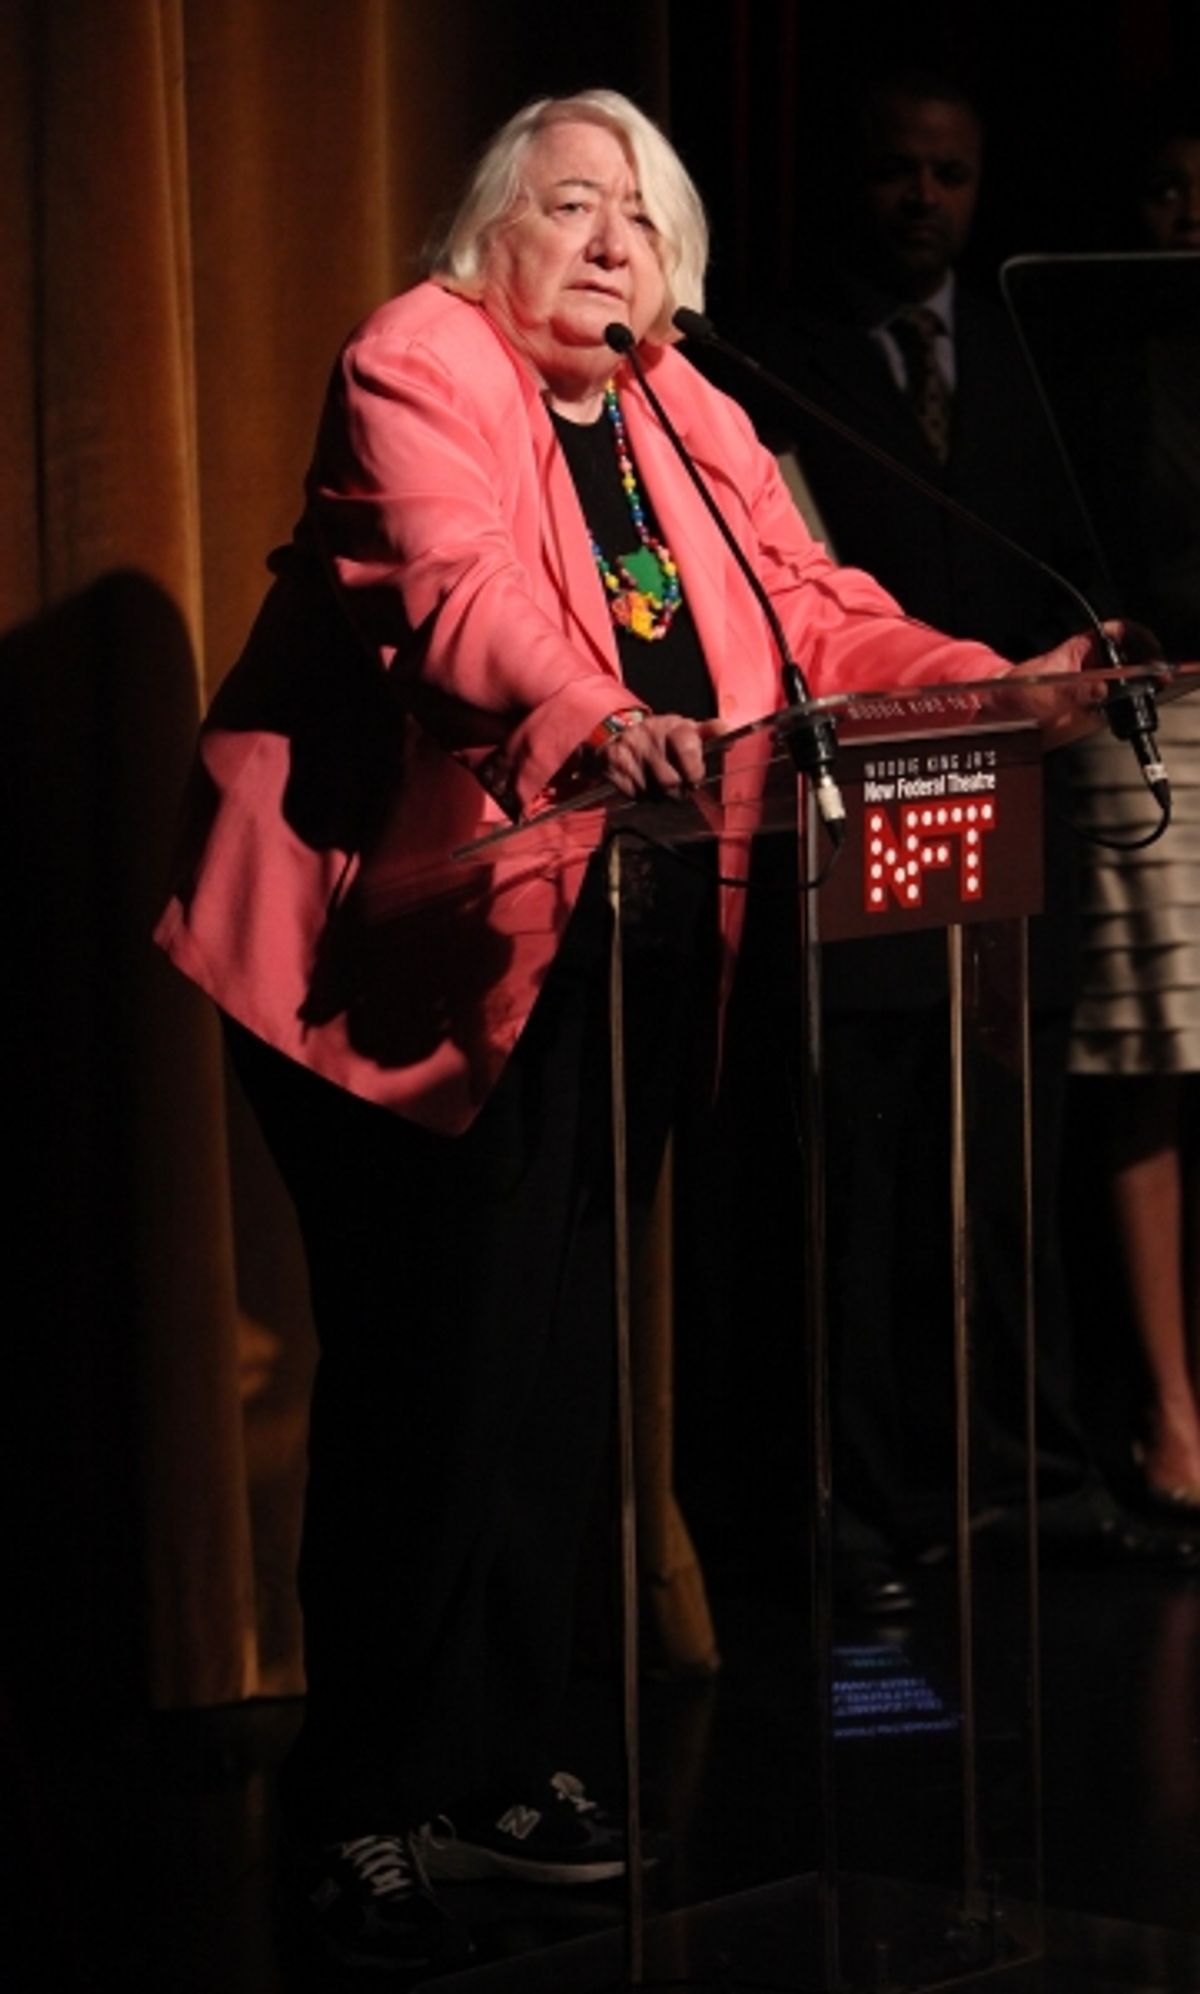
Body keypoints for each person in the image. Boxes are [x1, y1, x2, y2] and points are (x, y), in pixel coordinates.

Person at [155, 89, 1099, 1977]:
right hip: (401, 958)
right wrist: (601, 719)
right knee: (438, 1375)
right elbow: (457, 597)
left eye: (643, 222)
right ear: (484, 233)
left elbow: (816, 613)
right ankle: (361, 1801)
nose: (611, 247)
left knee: (560, 1373)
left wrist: (995, 686)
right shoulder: (416, 360)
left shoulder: (684, 405)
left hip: (618, 947)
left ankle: (500, 1772)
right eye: (570, 206)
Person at [720, 66, 1198, 1612]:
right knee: (873, 1167)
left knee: (1009, 1160)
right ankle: (861, 1507)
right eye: (895, 172)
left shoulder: (1024, 347)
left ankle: (1031, 1482)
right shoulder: (771, 363)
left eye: (951, 176)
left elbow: (1071, 542)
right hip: (872, 793)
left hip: (1024, 799)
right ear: (851, 182)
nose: (922, 202)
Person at [1065, 98, 1200, 1510]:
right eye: (1166, 185)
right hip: (1156, 709)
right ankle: (1171, 1419)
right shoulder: (1091, 355)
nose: (1188, 213)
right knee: (1154, 1056)